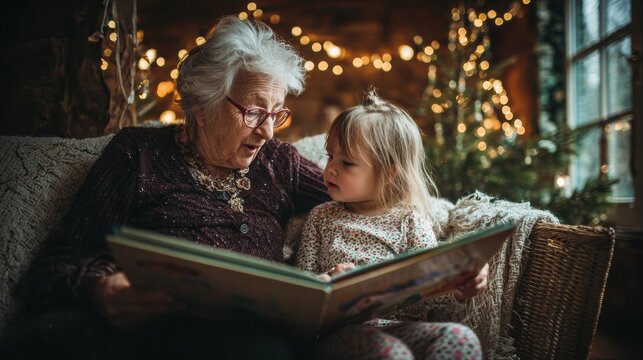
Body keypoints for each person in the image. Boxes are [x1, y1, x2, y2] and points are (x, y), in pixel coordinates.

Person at [1, 16, 329, 359]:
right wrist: (100, 289)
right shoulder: (138, 153)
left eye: (276, 114)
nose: (268, 132)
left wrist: (340, 269)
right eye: (254, 113)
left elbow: (364, 194)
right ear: (203, 106)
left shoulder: (278, 162)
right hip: (142, 334)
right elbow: (59, 261)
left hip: (246, 338)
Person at [296, 91, 486, 359]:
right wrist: (327, 281)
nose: (330, 170)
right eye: (329, 157)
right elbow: (300, 285)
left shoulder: (410, 221)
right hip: (340, 334)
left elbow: (433, 294)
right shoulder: (322, 217)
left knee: (460, 337)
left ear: (388, 173)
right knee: (390, 353)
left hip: (401, 327)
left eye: (347, 163)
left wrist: (461, 283)